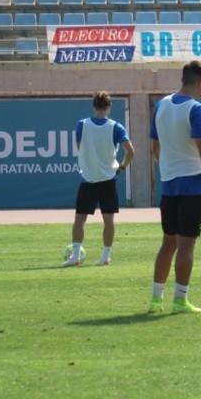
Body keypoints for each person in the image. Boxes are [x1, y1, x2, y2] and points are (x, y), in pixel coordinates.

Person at [148, 60, 201, 314]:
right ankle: (180, 300)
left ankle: (155, 299)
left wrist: (167, 166)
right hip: (192, 184)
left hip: (169, 183)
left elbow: (155, 147)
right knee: (187, 245)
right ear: (199, 82)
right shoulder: (195, 108)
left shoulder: (161, 105)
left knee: (168, 243)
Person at [63, 91, 134, 267]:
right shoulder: (116, 127)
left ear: (94, 106)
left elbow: (80, 148)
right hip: (108, 179)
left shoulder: (82, 125)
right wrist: (122, 167)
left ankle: (75, 256)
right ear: (109, 107)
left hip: (88, 178)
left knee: (79, 219)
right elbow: (131, 151)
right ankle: (105, 256)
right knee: (108, 220)